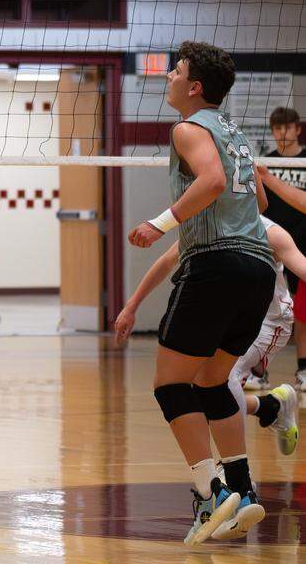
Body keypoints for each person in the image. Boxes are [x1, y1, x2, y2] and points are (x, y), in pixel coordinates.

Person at [127, 41, 275, 544]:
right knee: (213, 381)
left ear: (194, 87)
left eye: (177, 70)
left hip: (216, 265)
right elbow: (255, 195)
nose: (168, 74)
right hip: (258, 269)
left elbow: (211, 181)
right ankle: (243, 493)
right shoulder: (235, 134)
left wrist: (161, 223)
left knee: (171, 385)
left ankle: (209, 492)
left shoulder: (188, 128)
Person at [117, 216, 299, 459]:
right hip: (227, 315)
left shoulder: (271, 232)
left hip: (270, 321)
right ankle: (271, 407)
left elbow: (301, 265)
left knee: (224, 379)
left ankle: (234, 468)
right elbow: (167, 261)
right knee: (203, 387)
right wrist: (131, 306)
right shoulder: (208, 224)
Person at [253, 106, 306, 394]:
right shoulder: (265, 162)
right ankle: (259, 370)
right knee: (265, 305)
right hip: (274, 243)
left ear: (297, 129)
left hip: (303, 243)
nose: (281, 133)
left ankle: (304, 368)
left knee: (302, 313)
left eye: (287, 127)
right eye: (276, 128)